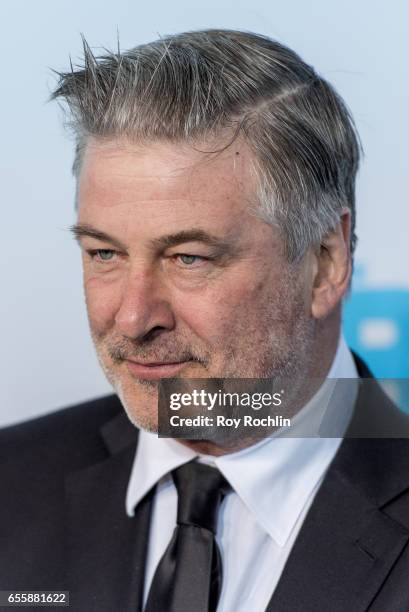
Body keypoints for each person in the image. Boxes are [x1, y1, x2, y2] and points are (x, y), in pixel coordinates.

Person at [1, 29, 409, 612]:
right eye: (104, 254)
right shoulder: (12, 483)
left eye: (189, 258)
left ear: (325, 263)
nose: (135, 316)